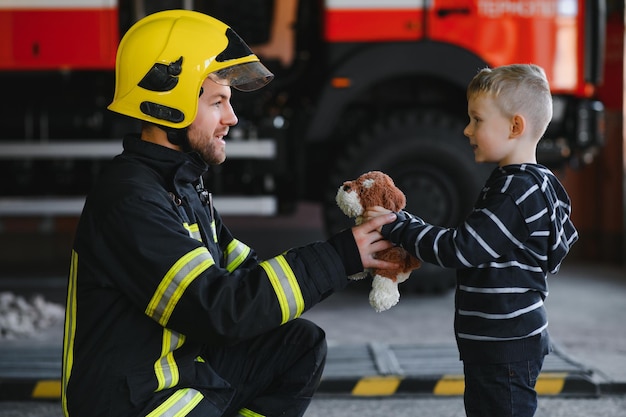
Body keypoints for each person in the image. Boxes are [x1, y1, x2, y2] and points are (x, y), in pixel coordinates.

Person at [61, 10, 398, 417]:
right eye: (217, 102)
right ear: (168, 104)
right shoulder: (130, 198)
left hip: (171, 376)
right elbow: (218, 309)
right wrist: (339, 256)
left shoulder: (180, 185)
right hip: (134, 401)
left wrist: (353, 258)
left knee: (297, 346)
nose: (232, 118)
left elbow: (244, 276)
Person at [367, 64, 578, 417]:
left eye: (477, 120)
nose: (467, 130)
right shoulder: (527, 182)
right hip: (502, 343)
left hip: (505, 347)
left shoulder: (517, 191)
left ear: (515, 126)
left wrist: (398, 225)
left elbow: (461, 248)